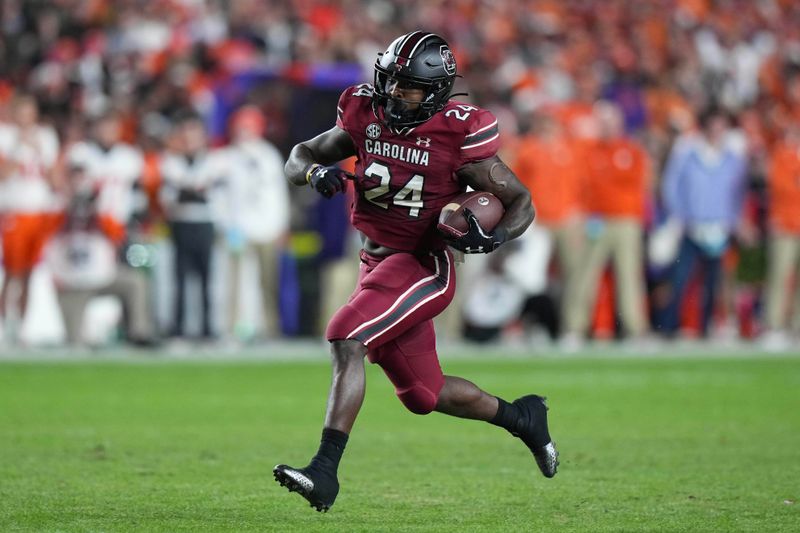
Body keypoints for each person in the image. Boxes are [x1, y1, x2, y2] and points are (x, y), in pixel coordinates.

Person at [273, 32, 557, 513]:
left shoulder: (458, 133)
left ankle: (324, 471)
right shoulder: (365, 112)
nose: (393, 94)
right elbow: (299, 154)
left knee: (346, 336)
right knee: (425, 394)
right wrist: (313, 173)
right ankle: (523, 418)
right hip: (374, 263)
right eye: (390, 81)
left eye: (408, 87)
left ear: (438, 92)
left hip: (424, 263)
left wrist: (494, 237)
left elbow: (521, 202)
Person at [564, 101, 651, 344]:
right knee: (585, 275)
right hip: (596, 221)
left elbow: (638, 186)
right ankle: (574, 328)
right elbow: (582, 187)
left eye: (611, 122)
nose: (607, 127)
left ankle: (636, 330)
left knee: (629, 276)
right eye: (603, 123)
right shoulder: (590, 151)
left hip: (625, 221)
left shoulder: (631, 150)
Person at [657, 107, 748, 337]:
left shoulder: (732, 157)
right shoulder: (688, 152)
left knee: (714, 282)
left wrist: (734, 219)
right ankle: (668, 327)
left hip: (719, 227)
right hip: (691, 225)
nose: (717, 130)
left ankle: (706, 326)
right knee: (680, 278)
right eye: (713, 125)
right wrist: (679, 215)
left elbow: (738, 192)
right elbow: (671, 185)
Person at [222, 105, 289, 342]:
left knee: (267, 282)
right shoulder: (228, 158)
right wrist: (228, 226)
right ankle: (232, 327)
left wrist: (281, 225)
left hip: (267, 228)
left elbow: (278, 194)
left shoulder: (269, 156)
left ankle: (270, 328)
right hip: (239, 229)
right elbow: (224, 198)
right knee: (236, 282)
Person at [159, 112, 226, 339]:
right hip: (181, 223)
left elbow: (210, 195)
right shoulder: (172, 162)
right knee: (179, 278)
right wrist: (195, 191)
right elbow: (170, 197)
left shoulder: (213, 161)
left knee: (207, 279)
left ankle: (207, 327)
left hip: (205, 223)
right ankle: (177, 326)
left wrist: (188, 191)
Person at [0, 94, 59, 345]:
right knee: (12, 271)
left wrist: (39, 152)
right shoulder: (5, 136)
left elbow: (55, 178)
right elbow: (3, 175)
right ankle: (4, 326)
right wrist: (17, 149)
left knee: (30, 273)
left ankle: (23, 327)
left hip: (40, 211)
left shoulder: (46, 137)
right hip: (14, 209)